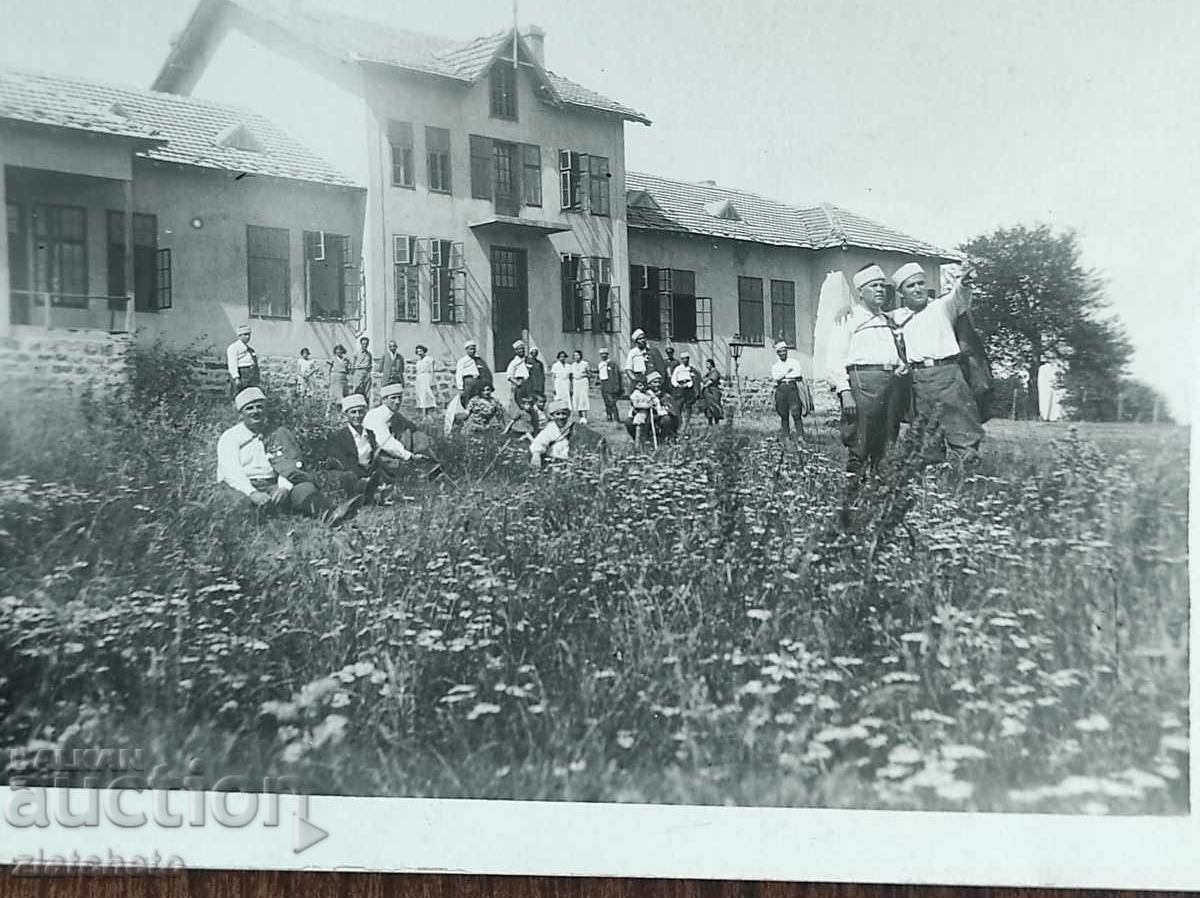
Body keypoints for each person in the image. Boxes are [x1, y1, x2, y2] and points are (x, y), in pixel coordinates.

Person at [890, 261, 984, 464]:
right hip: (919, 383)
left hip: (948, 376)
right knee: (926, 443)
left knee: (964, 437)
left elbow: (959, 295)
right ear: (900, 293)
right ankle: (934, 489)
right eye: (911, 286)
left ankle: (969, 485)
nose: (918, 289)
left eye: (921, 283)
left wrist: (965, 282)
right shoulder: (896, 318)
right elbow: (871, 318)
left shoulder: (942, 306)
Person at [826, 263, 908, 475]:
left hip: (891, 385)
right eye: (873, 286)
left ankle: (879, 492)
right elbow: (835, 358)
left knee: (887, 441)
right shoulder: (847, 317)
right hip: (863, 384)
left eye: (882, 285)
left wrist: (900, 365)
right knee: (860, 441)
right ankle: (853, 494)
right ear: (860, 291)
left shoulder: (889, 319)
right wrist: (845, 393)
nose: (880, 290)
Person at [215, 387, 322, 517]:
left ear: (265, 411)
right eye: (249, 408)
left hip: (274, 484)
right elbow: (232, 472)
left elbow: (290, 463)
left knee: (306, 490)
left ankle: (321, 518)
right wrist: (252, 493)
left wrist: (284, 487)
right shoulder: (230, 437)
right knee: (235, 502)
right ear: (240, 415)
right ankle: (260, 519)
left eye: (259, 407)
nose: (255, 411)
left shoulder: (278, 433)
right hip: (243, 486)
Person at [365, 382, 429, 459]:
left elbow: (412, 427)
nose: (397, 402)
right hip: (375, 452)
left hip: (391, 451)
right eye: (393, 398)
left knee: (413, 433)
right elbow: (386, 443)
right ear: (384, 400)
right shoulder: (376, 415)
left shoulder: (396, 415)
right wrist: (409, 456)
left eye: (399, 398)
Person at [770, 340, 813, 440]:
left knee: (796, 411)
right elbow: (776, 377)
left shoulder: (794, 362)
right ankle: (786, 436)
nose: (783, 353)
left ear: (787, 351)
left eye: (784, 351)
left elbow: (797, 373)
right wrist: (787, 372)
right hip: (781, 389)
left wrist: (784, 375)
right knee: (783, 413)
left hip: (792, 388)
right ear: (777, 353)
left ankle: (800, 436)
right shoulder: (775, 366)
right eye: (780, 352)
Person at [529, 399, 574, 469]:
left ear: (568, 415)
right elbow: (540, 441)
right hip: (553, 459)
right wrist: (536, 454)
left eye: (564, 413)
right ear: (552, 416)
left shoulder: (570, 427)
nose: (561, 417)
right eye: (558, 414)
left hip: (567, 459)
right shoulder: (550, 429)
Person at [225, 324, 260, 399]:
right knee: (239, 393)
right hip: (242, 373)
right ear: (239, 336)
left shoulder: (249, 349)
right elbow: (232, 364)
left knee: (250, 394)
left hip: (251, 373)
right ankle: (236, 408)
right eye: (245, 335)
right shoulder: (233, 348)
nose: (247, 337)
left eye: (249, 334)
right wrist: (236, 377)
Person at [455, 339, 492, 405]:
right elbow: (459, 374)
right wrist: (460, 388)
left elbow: (486, 371)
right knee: (468, 400)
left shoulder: (479, 360)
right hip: (468, 383)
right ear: (466, 350)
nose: (473, 351)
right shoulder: (462, 361)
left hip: (478, 382)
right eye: (471, 349)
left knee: (479, 400)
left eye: (474, 349)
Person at [670, 351, 700, 429]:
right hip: (680, 388)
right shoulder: (678, 368)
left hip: (688, 388)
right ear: (681, 360)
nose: (685, 360)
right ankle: (679, 423)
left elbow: (695, 378)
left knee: (688, 406)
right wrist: (677, 385)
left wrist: (689, 384)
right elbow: (673, 378)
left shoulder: (691, 368)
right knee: (679, 405)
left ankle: (687, 423)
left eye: (686, 359)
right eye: (683, 359)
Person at [597, 347, 622, 422]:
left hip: (611, 385)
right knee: (606, 402)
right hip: (604, 384)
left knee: (612, 402)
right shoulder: (600, 364)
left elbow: (616, 376)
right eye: (601, 354)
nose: (603, 356)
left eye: (605, 354)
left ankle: (616, 418)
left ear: (607, 355)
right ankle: (609, 417)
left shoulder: (612, 364)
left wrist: (616, 386)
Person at [413, 344, 437, 418]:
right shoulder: (418, 362)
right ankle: (423, 415)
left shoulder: (429, 359)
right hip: (419, 379)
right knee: (421, 395)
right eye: (418, 352)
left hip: (426, 377)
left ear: (424, 351)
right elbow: (417, 371)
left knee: (427, 395)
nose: (420, 353)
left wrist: (432, 380)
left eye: (421, 351)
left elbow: (432, 370)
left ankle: (429, 414)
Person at [698, 359, 724, 425]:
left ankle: (716, 422)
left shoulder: (715, 372)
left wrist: (704, 386)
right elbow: (702, 379)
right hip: (707, 393)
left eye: (708, 364)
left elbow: (711, 381)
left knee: (715, 406)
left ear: (711, 364)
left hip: (713, 392)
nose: (706, 366)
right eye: (706, 364)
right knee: (708, 407)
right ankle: (710, 422)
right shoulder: (708, 373)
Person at [569, 349, 591, 423]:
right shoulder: (572, 365)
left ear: (580, 356)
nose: (576, 357)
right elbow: (571, 376)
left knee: (583, 398)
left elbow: (589, 373)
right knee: (577, 399)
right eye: (575, 355)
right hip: (575, 382)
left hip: (583, 381)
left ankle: (585, 417)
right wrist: (571, 386)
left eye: (577, 355)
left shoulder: (585, 363)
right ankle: (580, 417)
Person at [327, 344, 351, 411]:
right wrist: (328, 379)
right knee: (333, 395)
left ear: (342, 351)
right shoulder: (332, 358)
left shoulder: (345, 359)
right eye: (337, 350)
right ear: (335, 351)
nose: (339, 351)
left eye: (340, 350)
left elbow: (348, 371)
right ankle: (329, 411)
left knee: (343, 395)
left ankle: (342, 411)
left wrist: (347, 367)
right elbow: (328, 369)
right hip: (335, 378)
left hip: (343, 378)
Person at [352, 335, 374, 401]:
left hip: (367, 374)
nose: (365, 345)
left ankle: (366, 407)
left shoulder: (369, 354)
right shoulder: (357, 353)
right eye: (363, 344)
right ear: (361, 344)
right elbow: (353, 364)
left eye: (366, 344)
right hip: (359, 373)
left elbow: (370, 364)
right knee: (357, 390)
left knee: (367, 392)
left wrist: (369, 372)